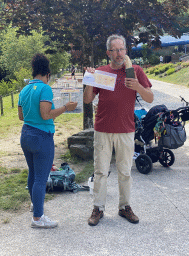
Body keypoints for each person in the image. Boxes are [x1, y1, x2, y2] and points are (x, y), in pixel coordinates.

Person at [83, 34, 153, 226]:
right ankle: (98, 208)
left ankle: (125, 207)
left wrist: (137, 85)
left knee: (125, 171)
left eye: (121, 49)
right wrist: (89, 79)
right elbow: (87, 100)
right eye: (114, 50)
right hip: (103, 129)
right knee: (100, 171)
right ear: (108, 53)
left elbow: (150, 98)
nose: (119, 53)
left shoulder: (135, 70)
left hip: (126, 129)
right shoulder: (101, 72)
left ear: (126, 50)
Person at [18, 53, 77, 228]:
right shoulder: (45, 88)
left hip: (26, 134)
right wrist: (66, 107)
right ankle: (38, 218)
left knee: (33, 172)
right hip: (41, 136)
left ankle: (34, 204)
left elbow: (21, 116)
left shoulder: (24, 89)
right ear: (48, 73)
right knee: (41, 178)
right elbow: (46, 115)